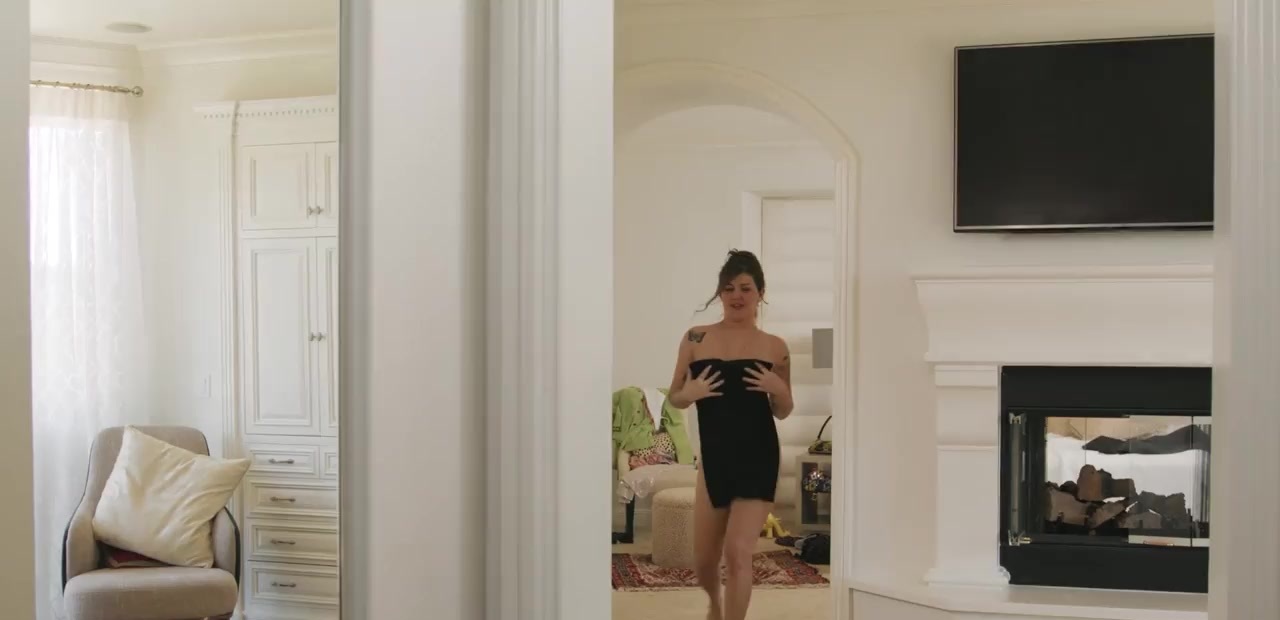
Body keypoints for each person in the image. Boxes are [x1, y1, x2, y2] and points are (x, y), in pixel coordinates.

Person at [667, 249, 794, 620]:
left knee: (738, 552)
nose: (736, 295)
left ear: (760, 293)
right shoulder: (695, 338)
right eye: (729, 288)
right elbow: (675, 396)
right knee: (704, 559)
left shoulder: (775, 347)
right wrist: (690, 394)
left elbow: (783, 410)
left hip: (758, 456)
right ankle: (715, 604)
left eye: (745, 288)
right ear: (720, 293)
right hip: (715, 459)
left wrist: (778, 389)